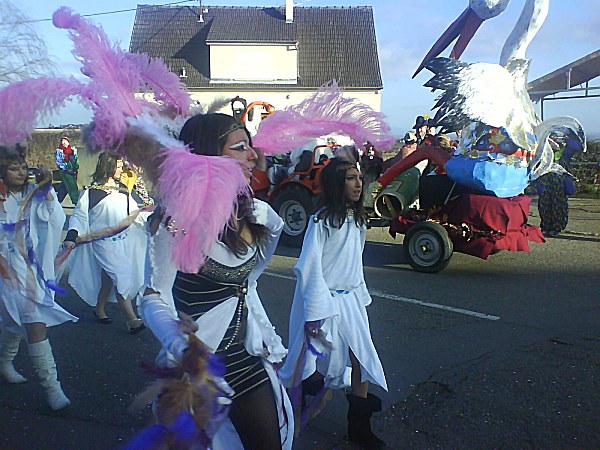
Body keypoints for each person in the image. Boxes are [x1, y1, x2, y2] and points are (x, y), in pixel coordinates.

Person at [137, 113, 293, 449]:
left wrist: (275, 223)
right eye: (240, 148)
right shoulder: (176, 223)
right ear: (207, 157)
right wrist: (182, 346)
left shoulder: (257, 214)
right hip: (197, 374)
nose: (254, 155)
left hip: (247, 361)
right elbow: (152, 297)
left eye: (251, 146)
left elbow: (251, 279)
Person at [280, 157, 387, 449]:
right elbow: (309, 267)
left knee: (360, 358)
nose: (358, 183)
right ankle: (292, 410)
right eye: (350, 178)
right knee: (308, 362)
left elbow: (355, 262)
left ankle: (359, 428)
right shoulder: (322, 221)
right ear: (335, 183)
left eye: (359, 178)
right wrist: (315, 313)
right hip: (321, 301)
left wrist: (360, 298)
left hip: (350, 301)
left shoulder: (357, 219)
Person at [0, 143, 77, 410]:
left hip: (28, 271)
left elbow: (54, 219)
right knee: (12, 322)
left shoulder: (32, 195)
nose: (21, 172)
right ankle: (6, 362)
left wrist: (46, 191)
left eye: (23, 167)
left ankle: (52, 389)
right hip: (3, 273)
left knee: (34, 322)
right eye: (13, 168)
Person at [63, 153, 147, 333]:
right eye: (117, 166)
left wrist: (153, 218)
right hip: (102, 243)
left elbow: (134, 214)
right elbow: (79, 216)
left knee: (109, 277)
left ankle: (99, 308)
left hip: (122, 242)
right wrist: (71, 236)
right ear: (108, 167)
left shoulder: (123, 190)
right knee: (122, 275)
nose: (120, 170)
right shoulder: (91, 192)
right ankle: (132, 320)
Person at [536, 138, 581, 237]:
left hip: (559, 184)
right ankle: (546, 227)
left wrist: (569, 136)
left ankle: (557, 228)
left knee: (559, 206)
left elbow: (575, 146)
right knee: (544, 206)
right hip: (544, 182)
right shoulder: (542, 152)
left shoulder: (564, 154)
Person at [55, 136, 79, 204]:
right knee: (72, 186)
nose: (63, 142)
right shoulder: (59, 151)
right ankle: (76, 201)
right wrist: (67, 169)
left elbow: (76, 160)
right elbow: (59, 162)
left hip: (72, 171)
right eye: (62, 141)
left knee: (64, 187)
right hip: (65, 171)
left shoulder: (72, 150)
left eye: (65, 140)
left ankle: (57, 200)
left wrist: (76, 168)